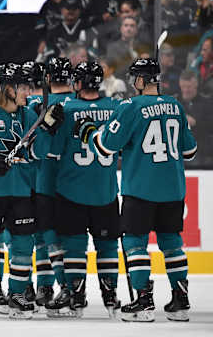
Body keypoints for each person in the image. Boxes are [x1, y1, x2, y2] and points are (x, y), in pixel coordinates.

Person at [75, 58, 197, 322]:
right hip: (174, 189)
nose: (132, 82)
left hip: (141, 188)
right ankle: (181, 300)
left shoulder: (130, 106)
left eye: (134, 78)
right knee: (172, 243)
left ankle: (143, 301)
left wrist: (88, 132)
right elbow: (190, 150)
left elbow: (105, 147)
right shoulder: (175, 105)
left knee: (134, 243)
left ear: (141, 80)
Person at [0, 63, 62, 319]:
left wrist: (48, 131)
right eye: (23, 87)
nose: (28, 91)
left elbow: (36, 153)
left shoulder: (29, 116)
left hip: (21, 192)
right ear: (8, 89)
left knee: (23, 244)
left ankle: (16, 293)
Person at [45, 61, 121, 318]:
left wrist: (47, 127)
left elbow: (52, 154)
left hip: (71, 192)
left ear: (77, 84)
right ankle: (111, 296)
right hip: (106, 192)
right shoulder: (115, 107)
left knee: (75, 247)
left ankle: (76, 296)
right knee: (108, 247)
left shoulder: (65, 109)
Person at [27, 57, 75, 313]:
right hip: (74, 182)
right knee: (69, 237)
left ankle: (48, 285)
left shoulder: (36, 104)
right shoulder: (79, 104)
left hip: (42, 178)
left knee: (43, 235)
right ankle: (72, 287)